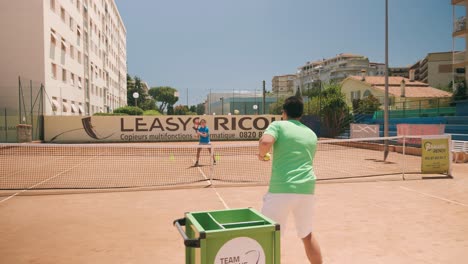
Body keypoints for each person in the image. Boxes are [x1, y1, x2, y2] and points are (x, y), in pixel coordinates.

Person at [258, 96, 322, 264]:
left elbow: (265, 142)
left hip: (281, 189)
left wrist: (261, 154)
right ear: (301, 114)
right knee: (307, 235)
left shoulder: (278, 125)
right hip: (307, 190)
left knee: (268, 236)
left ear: (284, 113)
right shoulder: (311, 134)